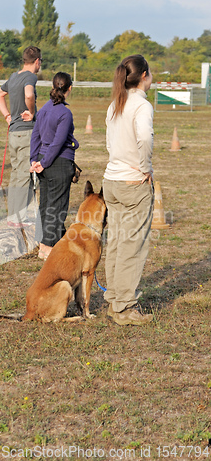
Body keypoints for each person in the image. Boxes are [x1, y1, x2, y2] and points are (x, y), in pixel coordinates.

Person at [103, 54, 154, 326]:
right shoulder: (141, 105)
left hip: (111, 180)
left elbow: (110, 143)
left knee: (117, 242)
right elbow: (144, 137)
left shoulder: (115, 104)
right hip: (133, 183)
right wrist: (145, 167)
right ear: (144, 75)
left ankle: (114, 300)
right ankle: (124, 307)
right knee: (132, 247)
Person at [30, 72, 79, 260]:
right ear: (69, 88)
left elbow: (36, 136)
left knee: (46, 204)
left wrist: (34, 160)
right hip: (57, 162)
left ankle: (44, 242)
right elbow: (58, 143)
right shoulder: (65, 113)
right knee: (57, 207)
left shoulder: (43, 109)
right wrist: (43, 162)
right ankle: (47, 248)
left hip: (44, 160)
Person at [0, 46, 42, 228]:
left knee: (15, 175)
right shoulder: (30, 77)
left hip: (14, 132)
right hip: (26, 131)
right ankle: (18, 218)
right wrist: (31, 111)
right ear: (37, 61)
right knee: (23, 176)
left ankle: (13, 215)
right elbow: (29, 94)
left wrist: (7, 116)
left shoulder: (13, 76)